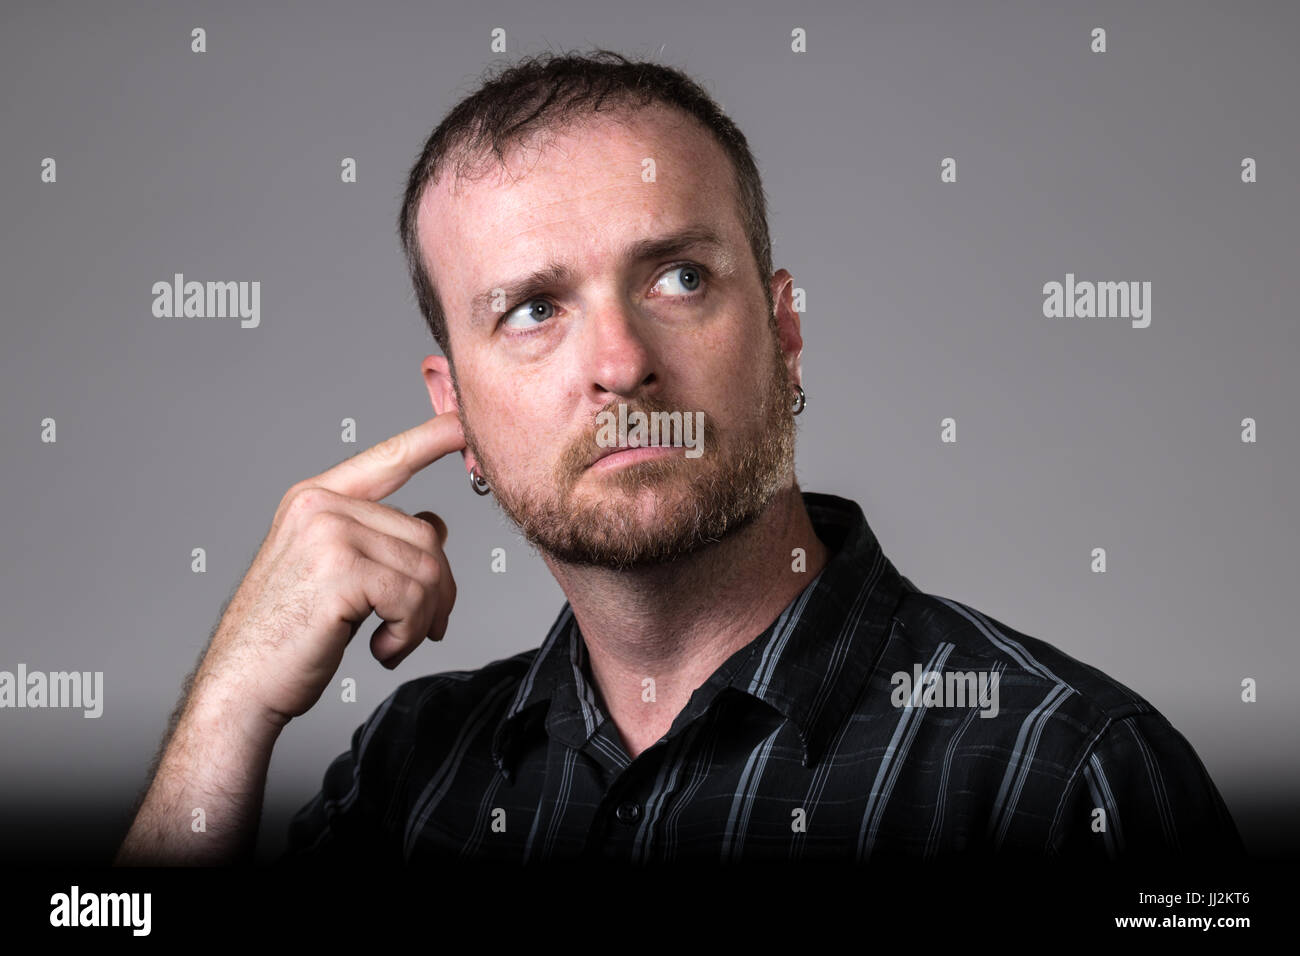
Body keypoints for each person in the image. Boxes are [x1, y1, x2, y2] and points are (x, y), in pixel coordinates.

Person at [115, 50, 1242, 867]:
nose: (617, 363)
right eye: (531, 308)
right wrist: (228, 707)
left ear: (785, 330)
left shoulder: (1064, 774)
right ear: (453, 404)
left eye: (678, 278)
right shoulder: (410, 771)